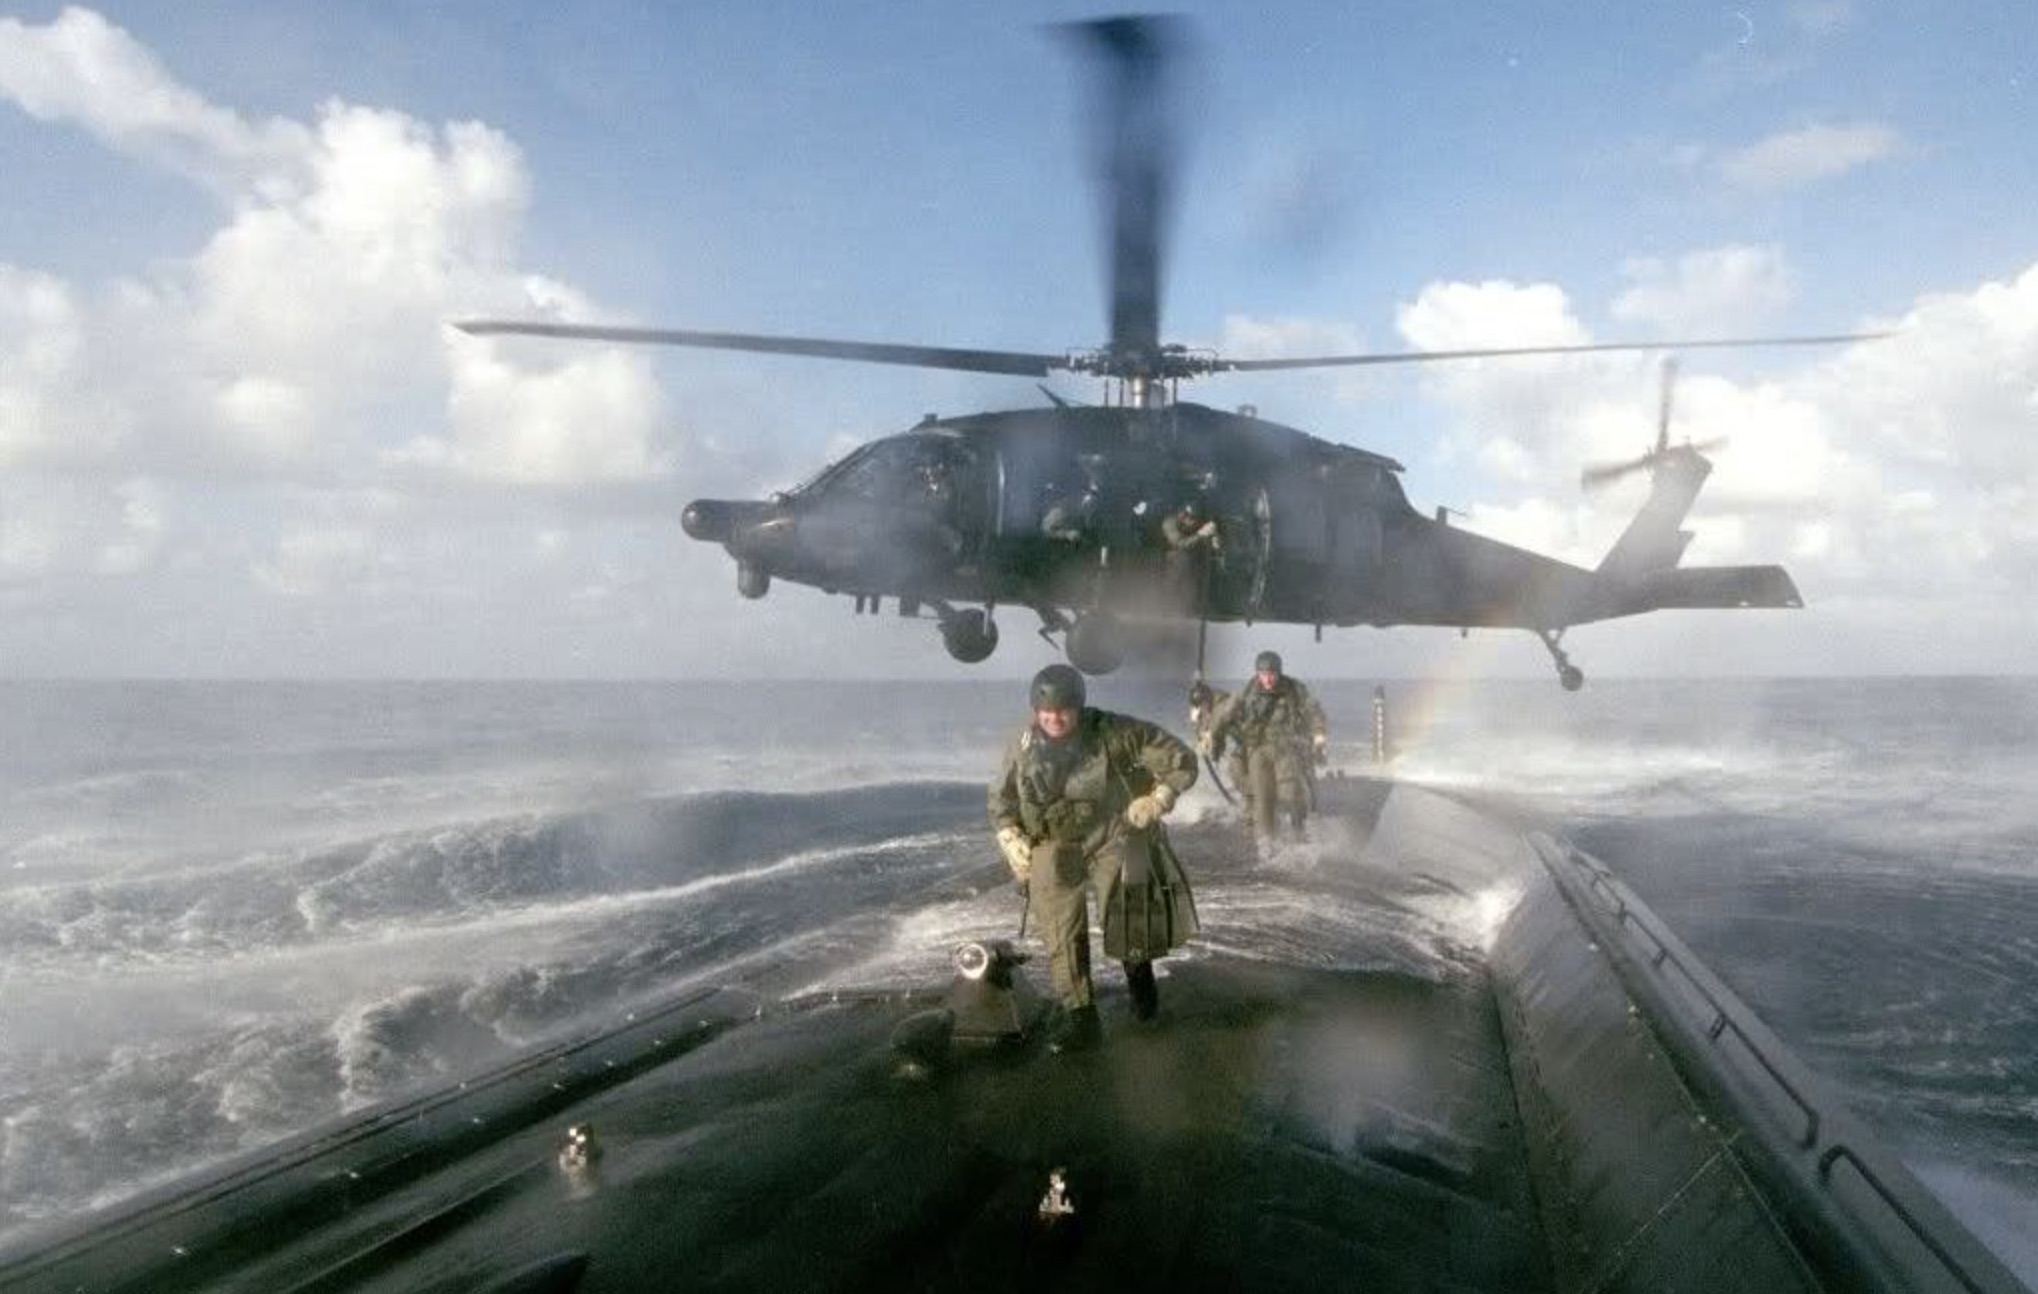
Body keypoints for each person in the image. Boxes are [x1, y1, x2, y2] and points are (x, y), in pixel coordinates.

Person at [990, 664, 1199, 1052]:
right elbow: (1002, 799)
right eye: (1046, 711)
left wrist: (1159, 798)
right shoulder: (1021, 744)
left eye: (1063, 710)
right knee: (1060, 928)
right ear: (1036, 710)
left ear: (1079, 707)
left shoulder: (1115, 732)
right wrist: (1008, 834)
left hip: (1111, 834)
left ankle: (1143, 996)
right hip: (1053, 841)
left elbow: (1181, 759)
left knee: (1127, 914)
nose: (1055, 719)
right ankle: (1081, 1019)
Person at [1203, 650, 1328, 849]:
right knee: (1263, 798)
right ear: (1257, 674)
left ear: (1279, 673)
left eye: (1272, 674)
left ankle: (1298, 832)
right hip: (1258, 750)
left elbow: (1314, 710)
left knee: (1291, 792)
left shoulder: (1294, 689)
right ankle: (1267, 843)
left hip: (1285, 748)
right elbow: (1223, 715)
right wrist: (1211, 736)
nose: (1268, 679)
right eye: (1263, 674)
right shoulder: (1247, 692)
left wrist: (1319, 734)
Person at [1188, 680, 1251, 823]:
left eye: (1202, 705)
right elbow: (1216, 737)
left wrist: (1209, 734)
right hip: (1247, 745)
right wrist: (1198, 725)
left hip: (1260, 742)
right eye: (1198, 706)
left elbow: (1222, 715)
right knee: (1236, 769)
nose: (1201, 708)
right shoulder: (1210, 711)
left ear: (1207, 700)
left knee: (1237, 768)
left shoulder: (1224, 703)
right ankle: (1253, 800)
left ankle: (1255, 803)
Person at [1160, 498, 1221, 612]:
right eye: (1188, 517)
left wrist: (1215, 538)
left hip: (1192, 562)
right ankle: (1167, 606)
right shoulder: (1169, 523)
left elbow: (1214, 545)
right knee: (1181, 560)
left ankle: (1195, 605)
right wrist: (1200, 534)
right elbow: (1180, 544)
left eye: (1194, 518)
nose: (1192, 520)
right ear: (1181, 514)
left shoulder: (1196, 523)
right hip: (1169, 560)